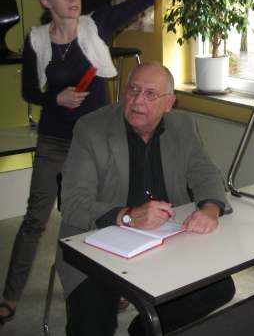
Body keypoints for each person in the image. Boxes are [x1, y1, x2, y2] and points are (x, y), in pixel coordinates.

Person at [0, 0, 200, 324]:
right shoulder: (37, 40)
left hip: (101, 144)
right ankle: (10, 296)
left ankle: (113, 284)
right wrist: (55, 98)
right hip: (56, 142)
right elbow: (29, 91)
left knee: (107, 214)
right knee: (35, 220)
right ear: (46, 2)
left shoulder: (97, 26)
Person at [57, 62, 235, 335]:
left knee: (218, 289)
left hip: (163, 239)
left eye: (151, 94)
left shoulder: (183, 126)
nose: (138, 100)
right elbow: (73, 204)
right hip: (97, 241)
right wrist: (128, 215)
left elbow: (206, 174)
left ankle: (143, 330)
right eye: (133, 90)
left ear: (169, 103)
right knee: (93, 323)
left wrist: (210, 209)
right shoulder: (91, 129)